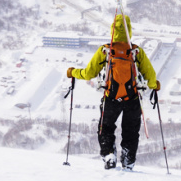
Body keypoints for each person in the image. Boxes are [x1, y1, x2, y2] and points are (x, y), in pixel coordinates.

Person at [66, 14, 160, 170]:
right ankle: (128, 161)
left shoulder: (105, 50)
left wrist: (73, 72)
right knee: (131, 132)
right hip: (132, 99)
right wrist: (155, 85)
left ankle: (109, 155)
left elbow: (89, 73)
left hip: (111, 98)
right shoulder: (136, 51)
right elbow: (151, 77)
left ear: (112, 31)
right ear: (129, 30)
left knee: (106, 128)